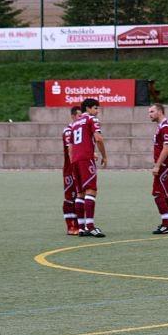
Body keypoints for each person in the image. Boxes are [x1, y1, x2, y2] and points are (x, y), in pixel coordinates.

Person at [68, 97, 107, 238]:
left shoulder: (74, 124)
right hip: (86, 160)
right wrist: (104, 156)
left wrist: (74, 161)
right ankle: (90, 226)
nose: (97, 111)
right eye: (96, 108)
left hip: (75, 160)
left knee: (80, 193)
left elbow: (71, 147)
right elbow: (99, 139)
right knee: (91, 190)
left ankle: (81, 227)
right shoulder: (92, 119)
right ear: (88, 108)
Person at [148, 103, 168, 234]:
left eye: (152, 111)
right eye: (149, 112)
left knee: (157, 193)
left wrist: (157, 165)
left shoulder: (165, 127)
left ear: (160, 111)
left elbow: (166, 148)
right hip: (166, 165)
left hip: (165, 166)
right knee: (166, 195)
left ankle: (166, 224)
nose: (149, 114)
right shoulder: (162, 126)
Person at [61, 105, 82, 235]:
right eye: (79, 116)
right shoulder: (68, 131)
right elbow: (71, 150)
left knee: (81, 195)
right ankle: (71, 226)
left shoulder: (81, 130)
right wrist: (74, 168)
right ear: (73, 116)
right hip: (70, 169)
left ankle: (80, 224)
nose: (81, 118)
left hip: (80, 167)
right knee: (70, 197)